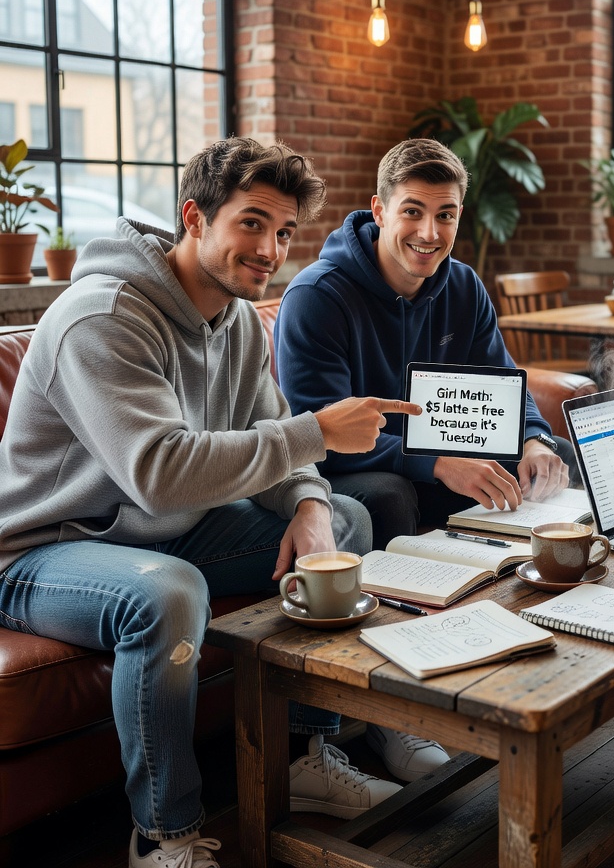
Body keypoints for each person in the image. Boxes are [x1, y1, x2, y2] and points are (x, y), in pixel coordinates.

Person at [0, 138, 423, 868]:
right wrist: (317, 432)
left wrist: (313, 504)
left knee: (348, 520)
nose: (271, 248)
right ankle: (164, 835)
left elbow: (274, 445)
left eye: (284, 231)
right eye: (252, 223)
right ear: (195, 217)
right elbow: (160, 473)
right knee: (166, 592)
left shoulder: (234, 320)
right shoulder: (102, 316)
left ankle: (308, 757)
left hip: (165, 534)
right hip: (42, 552)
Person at [274, 136, 573, 549]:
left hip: (445, 455)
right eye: (412, 211)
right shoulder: (316, 297)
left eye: (445, 215)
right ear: (379, 211)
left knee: (554, 456)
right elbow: (317, 437)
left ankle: (530, 584)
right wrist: (435, 461)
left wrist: (533, 440)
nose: (429, 233)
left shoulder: (464, 285)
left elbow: (504, 380)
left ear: (459, 216)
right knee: (389, 495)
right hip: (360, 468)